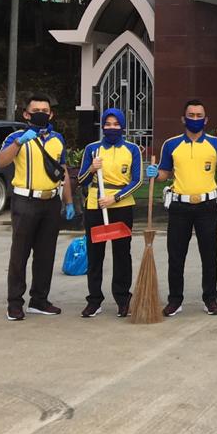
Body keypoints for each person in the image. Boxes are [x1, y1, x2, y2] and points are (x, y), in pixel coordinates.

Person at [148, 99, 217, 317]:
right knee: (176, 256)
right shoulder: (171, 144)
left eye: (199, 116)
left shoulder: (216, 143)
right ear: (183, 118)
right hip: (179, 205)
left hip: (207, 205)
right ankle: (175, 300)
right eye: (191, 115)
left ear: (206, 120)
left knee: (209, 255)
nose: (195, 119)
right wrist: (153, 173)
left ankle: (210, 299)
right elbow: (164, 173)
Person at [0, 95, 75, 321]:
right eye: (36, 109)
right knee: (20, 253)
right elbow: (1, 162)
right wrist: (20, 142)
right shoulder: (16, 137)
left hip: (51, 201)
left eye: (45, 110)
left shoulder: (57, 139)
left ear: (51, 114)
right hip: (25, 201)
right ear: (26, 114)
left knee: (45, 254)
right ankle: (14, 302)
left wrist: (68, 202)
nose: (41, 113)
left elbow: (63, 172)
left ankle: (39, 300)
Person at [77, 108, 143, 318]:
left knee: (122, 253)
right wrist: (92, 169)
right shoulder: (92, 149)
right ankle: (94, 300)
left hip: (121, 206)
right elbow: (81, 180)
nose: (111, 128)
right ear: (102, 126)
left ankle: (123, 299)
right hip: (96, 206)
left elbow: (137, 180)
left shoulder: (132, 149)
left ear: (122, 127)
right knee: (95, 254)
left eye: (116, 124)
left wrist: (115, 198)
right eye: (108, 124)